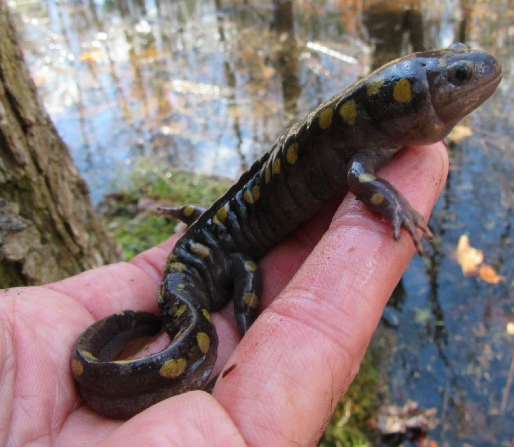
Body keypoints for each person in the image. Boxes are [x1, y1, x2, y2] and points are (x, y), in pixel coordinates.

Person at [0, 144, 448, 447]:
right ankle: (244, 323)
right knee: (241, 270)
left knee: (234, 270)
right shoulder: (215, 271)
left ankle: (227, 324)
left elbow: (205, 219)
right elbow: (210, 227)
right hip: (194, 277)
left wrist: (188, 216)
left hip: (190, 274)